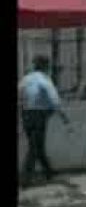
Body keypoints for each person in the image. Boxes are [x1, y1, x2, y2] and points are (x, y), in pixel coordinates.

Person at [18, 56, 70, 187]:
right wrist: (64, 117)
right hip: (39, 116)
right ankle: (25, 179)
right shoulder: (44, 80)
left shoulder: (26, 78)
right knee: (34, 148)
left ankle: (49, 173)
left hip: (26, 114)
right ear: (45, 66)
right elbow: (54, 100)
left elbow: (20, 94)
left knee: (38, 146)